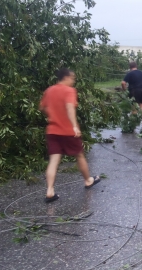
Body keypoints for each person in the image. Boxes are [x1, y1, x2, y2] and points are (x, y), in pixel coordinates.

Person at [39, 68, 100, 203]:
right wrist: (73, 125)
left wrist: (53, 115)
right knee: (79, 155)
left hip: (52, 130)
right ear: (66, 77)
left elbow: (42, 108)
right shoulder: (69, 91)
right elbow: (69, 107)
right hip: (67, 131)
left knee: (53, 161)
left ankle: (50, 190)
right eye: (73, 78)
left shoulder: (49, 90)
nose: (74, 81)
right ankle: (88, 180)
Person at [121, 61, 142, 128]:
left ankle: (133, 124)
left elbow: (123, 83)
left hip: (135, 91)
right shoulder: (141, 73)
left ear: (130, 67)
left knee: (134, 108)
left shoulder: (129, 74)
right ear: (136, 66)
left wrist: (124, 89)